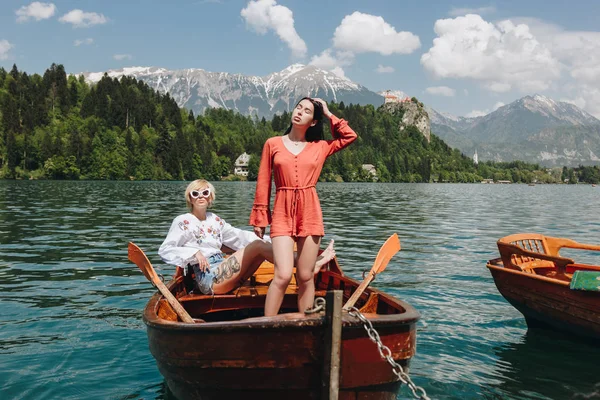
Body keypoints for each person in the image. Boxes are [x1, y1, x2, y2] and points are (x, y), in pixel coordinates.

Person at [250, 97, 357, 316]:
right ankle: (267, 325)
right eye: (298, 107)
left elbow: (349, 136)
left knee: (306, 276)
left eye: (307, 111)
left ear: (314, 122)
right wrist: (260, 217)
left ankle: (304, 323)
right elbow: (263, 181)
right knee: (282, 275)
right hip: (281, 210)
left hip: (310, 212)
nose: (299, 112)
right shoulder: (273, 143)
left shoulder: (320, 147)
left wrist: (328, 113)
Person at [158, 179, 335, 295]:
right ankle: (310, 263)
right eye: (195, 194)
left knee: (257, 245)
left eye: (205, 193)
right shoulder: (183, 221)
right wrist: (194, 253)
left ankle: (306, 262)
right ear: (189, 198)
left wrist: (279, 242)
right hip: (209, 279)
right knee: (257, 247)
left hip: (224, 271)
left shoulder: (216, 220)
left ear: (211, 197)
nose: (200, 197)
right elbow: (166, 250)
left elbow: (240, 237)